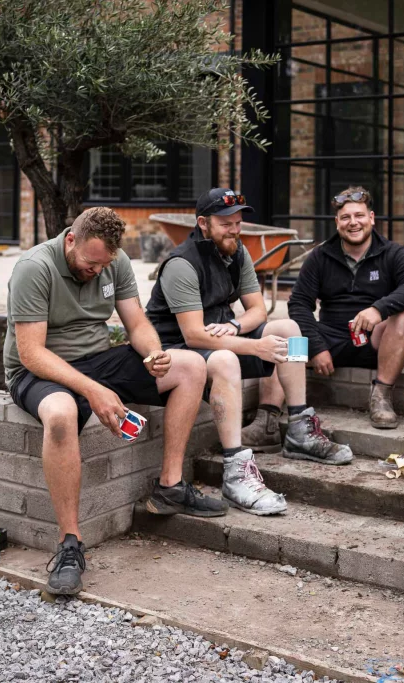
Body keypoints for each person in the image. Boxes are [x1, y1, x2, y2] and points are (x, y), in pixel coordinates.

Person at [4, 207, 223, 596]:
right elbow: (31, 354)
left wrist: (153, 353)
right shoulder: (34, 268)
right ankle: (70, 544)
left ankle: (170, 486)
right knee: (61, 414)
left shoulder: (113, 261)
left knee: (191, 367)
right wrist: (93, 390)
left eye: (103, 265)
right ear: (71, 240)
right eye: (90, 264)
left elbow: (136, 323)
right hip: (40, 370)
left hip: (97, 359)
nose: (96, 272)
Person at [146, 188, 353, 516]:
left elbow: (258, 309)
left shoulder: (237, 251)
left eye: (238, 223)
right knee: (226, 360)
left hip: (220, 338)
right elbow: (194, 335)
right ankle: (235, 471)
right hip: (180, 350)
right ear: (203, 223)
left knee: (289, 330)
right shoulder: (181, 264)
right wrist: (255, 346)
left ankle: (299, 427)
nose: (234, 230)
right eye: (225, 223)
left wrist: (236, 326)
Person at [286, 186, 404, 429]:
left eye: (359, 215)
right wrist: (316, 347)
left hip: (375, 341)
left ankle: (381, 395)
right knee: (283, 338)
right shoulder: (319, 256)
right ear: (337, 222)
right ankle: (270, 412)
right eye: (346, 217)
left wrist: (379, 309)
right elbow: (298, 304)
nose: (353, 223)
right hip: (330, 340)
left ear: (371, 218)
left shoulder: (392, 253)